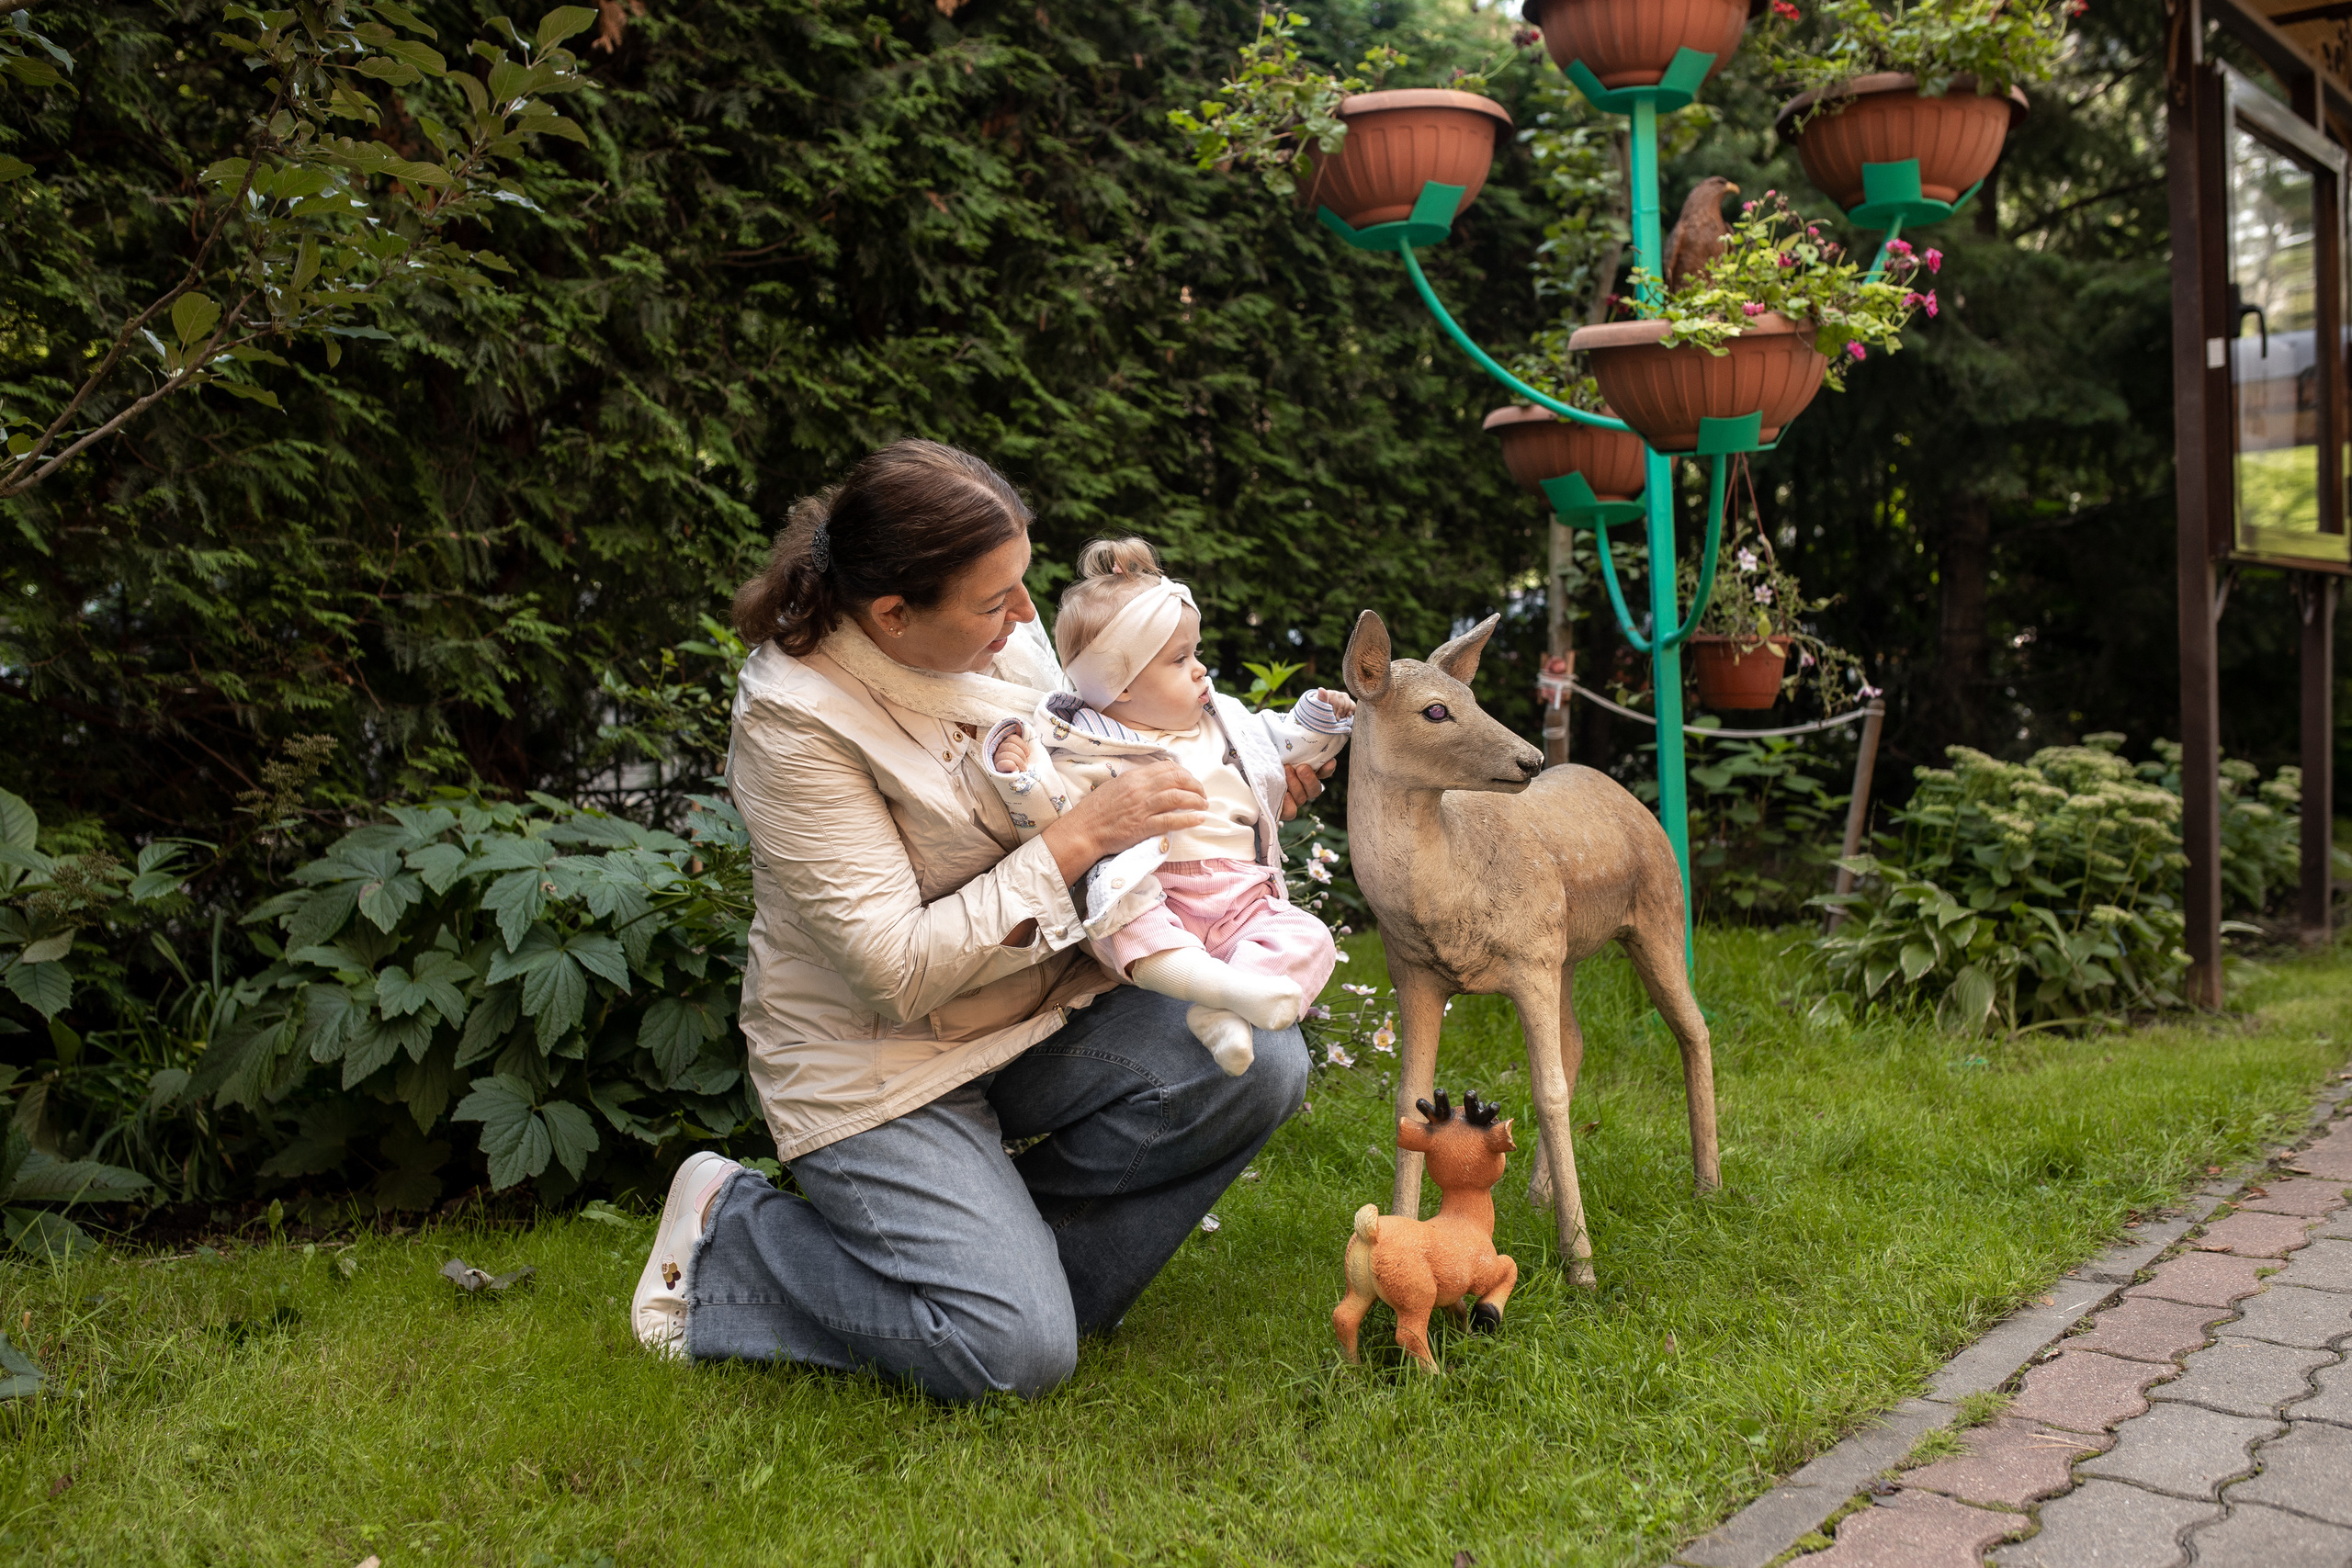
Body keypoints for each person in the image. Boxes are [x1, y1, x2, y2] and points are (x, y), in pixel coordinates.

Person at [628, 439, 1325, 1402]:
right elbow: (893, 969)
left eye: (1023, 587)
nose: (1027, 619)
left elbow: (1108, 741)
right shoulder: (793, 724)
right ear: (890, 615)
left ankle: (1004, 1292)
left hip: (1035, 1016)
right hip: (881, 1063)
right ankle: (730, 1237)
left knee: (1253, 1063)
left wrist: (1241, 778)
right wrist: (1077, 841)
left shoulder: (997, 636)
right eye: (997, 601)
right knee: (1013, 1356)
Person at [982, 537, 1351, 1077]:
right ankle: (1208, 984)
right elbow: (1049, 809)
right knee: (1124, 918)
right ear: (1120, 685)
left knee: (1309, 936)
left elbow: (1290, 746)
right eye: (1181, 659)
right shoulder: (1082, 745)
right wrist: (1021, 772)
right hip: (1155, 889)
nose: (1201, 670)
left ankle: (1228, 1010)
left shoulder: (1225, 723)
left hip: (1240, 896)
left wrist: (1318, 720)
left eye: (1195, 652)